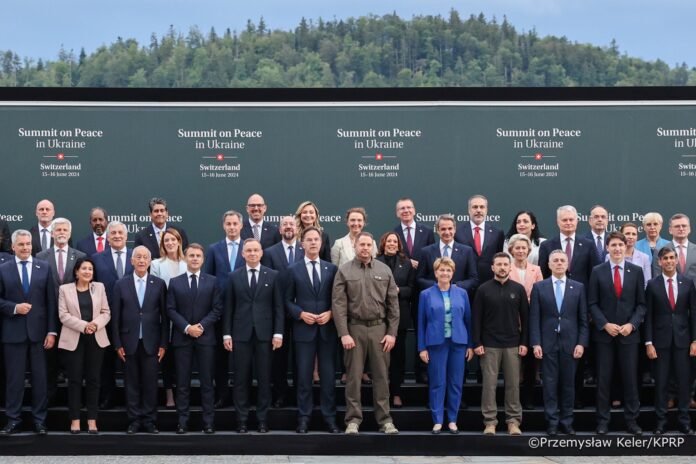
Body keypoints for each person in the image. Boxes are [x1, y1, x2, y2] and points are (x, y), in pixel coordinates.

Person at [332, 231, 400, 435]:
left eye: (368, 245)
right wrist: (343, 333)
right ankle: (353, 420)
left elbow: (393, 306)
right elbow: (338, 305)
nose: (364, 248)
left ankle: (385, 420)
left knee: (381, 377)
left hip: (380, 330)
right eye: (361, 245)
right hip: (354, 329)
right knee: (353, 377)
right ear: (355, 246)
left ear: (373, 247)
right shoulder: (344, 271)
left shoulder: (385, 270)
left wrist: (392, 333)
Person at [223, 238, 284, 434]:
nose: (252, 253)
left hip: (266, 335)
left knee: (265, 378)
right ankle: (241, 420)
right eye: (248, 250)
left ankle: (262, 420)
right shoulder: (233, 276)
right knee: (241, 379)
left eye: (255, 250)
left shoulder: (273, 275)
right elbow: (229, 308)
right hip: (241, 335)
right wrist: (226, 335)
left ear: (261, 253)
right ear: (242, 254)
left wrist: (278, 333)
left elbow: (278, 308)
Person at [589, 231, 646, 435]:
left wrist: (632, 324)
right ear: (607, 248)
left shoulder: (636, 271)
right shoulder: (597, 271)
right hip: (605, 335)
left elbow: (641, 304)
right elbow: (592, 303)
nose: (617, 248)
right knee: (604, 379)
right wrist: (604, 324)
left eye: (620, 245)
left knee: (630, 379)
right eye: (613, 245)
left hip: (629, 335)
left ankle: (632, 421)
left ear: (626, 246)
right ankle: (603, 421)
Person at [0, 230, 57, 435]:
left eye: (28, 244)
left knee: (40, 380)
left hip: (39, 335)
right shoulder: (3, 269)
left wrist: (52, 331)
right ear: (13, 247)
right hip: (13, 334)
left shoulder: (44, 268)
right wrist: (14, 308)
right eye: (21, 244)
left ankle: (39, 421)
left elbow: (51, 301)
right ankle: (13, 420)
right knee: (14, 380)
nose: (25, 248)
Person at [285, 226, 340, 434]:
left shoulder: (331, 269)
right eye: (309, 239)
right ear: (302, 244)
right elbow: (287, 301)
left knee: (327, 377)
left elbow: (339, 300)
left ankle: (330, 418)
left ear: (321, 242)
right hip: (303, 330)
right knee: (304, 377)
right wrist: (300, 314)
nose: (313, 243)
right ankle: (304, 418)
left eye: (316, 239)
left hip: (327, 330)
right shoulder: (293, 270)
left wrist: (331, 313)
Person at [529, 250, 588, 436]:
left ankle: (567, 421)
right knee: (550, 385)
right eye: (555, 260)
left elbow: (583, 320)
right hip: (547, 344)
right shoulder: (539, 287)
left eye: (563, 260)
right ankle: (552, 422)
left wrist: (581, 343)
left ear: (567, 264)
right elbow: (534, 318)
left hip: (571, 345)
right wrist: (536, 343)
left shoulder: (578, 287)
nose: (559, 263)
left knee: (568, 384)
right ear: (549, 264)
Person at [111, 246, 168, 434]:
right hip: (128, 342)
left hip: (152, 342)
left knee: (151, 383)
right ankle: (134, 420)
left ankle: (150, 420)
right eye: (138, 257)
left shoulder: (159, 284)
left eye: (145, 257)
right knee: (131, 383)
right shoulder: (121, 284)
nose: (142, 260)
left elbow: (165, 317)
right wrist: (117, 343)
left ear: (150, 261)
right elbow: (116, 316)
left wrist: (163, 343)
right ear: (132, 261)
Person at [167, 243, 222, 434]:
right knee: (182, 383)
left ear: (203, 259)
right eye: (191, 255)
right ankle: (182, 421)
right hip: (182, 339)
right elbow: (170, 309)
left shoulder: (212, 281)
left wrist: (200, 326)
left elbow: (217, 309)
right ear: (185, 257)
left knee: (207, 382)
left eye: (198, 255)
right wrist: (187, 327)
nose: (195, 258)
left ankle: (208, 422)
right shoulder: (175, 282)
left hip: (205, 338)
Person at [472, 252, 529, 435]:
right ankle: (490, 422)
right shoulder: (483, 289)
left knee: (513, 384)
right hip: (489, 345)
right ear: (492, 267)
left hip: (513, 344)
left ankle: (513, 422)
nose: (502, 267)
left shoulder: (518, 289)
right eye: (499, 264)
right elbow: (476, 319)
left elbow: (526, 319)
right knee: (489, 385)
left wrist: (524, 342)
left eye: (505, 264)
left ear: (510, 267)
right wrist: (477, 342)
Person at [418, 257, 473, 434]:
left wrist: (470, 345)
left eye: (448, 270)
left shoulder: (462, 293)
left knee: (455, 382)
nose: (445, 273)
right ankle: (437, 420)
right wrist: (422, 347)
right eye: (441, 270)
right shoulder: (425, 294)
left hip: (458, 343)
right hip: (435, 344)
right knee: (437, 382)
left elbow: (468, 320)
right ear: (435, 273)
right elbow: (421, 322)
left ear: (453, 273)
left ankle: (452, 420)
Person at [645, 246, 696, 435]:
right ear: (659, 262)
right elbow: (648, 315)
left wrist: (695, 340)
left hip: (684, 342)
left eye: (671, 257)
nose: (668, 261)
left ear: (676, 260)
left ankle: (684, 422)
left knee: (684, 383)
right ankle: (661, 422)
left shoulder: (687, 283)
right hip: (660, 343)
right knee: (661, 384)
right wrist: (648, 343)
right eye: (665, 258)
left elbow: (694, 314)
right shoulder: (652, 284)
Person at [57, 256, 110, 434]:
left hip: (96, 339)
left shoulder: (100, 288)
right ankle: (75, 420)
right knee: (74, 380)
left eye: (90, 269)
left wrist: (94, 325)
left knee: (94, 380)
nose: (88, 272)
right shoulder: (65, 289)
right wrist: (84, 326)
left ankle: (92, 420)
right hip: (74, 339)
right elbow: (63, 315)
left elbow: (106, 312)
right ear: (76, 272)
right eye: (84, 269)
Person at [36, 217, 86, 404]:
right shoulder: (40, 257)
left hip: (74, 318)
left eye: (65, 230)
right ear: (52, 233)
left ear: (70, 233)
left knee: (74, 361)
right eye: (58, 230)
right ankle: (49, 398)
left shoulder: (80, 256)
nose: (62, 233)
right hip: (49, 316)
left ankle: (75, 400)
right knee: (49, 361)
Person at [261, 216, 304, 408]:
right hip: (278, 312)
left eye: (292, 224)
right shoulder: (269, 253)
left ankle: (299, 394)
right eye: (285, 225)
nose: (288, 227)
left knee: (301, 356)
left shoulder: (306, 250)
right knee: (279, 357)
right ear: (280, 230)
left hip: (302, 313)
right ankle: (280, 394)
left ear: (298, 229)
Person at [204, 210, 246, 407]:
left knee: (242, 358)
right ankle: (222, 395)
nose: (231, 227)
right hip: (220, 311)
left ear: (241, 226)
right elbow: (208, 280)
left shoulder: (250, 248)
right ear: (223, 226)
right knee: (220, 358)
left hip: (243, 310)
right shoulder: (213, 249)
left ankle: (241, 397)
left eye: (234, 224)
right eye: (228, 224)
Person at [393, 197, 435, 384]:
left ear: (414, 210)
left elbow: (433, 256)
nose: (406, 211)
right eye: (402, 208)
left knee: (422, 329)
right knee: (399, 334)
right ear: (397, 213)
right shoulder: (392, 233)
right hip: (400, 290)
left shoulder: (426, 232)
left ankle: (422, 371)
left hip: (422, 289)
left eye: (409, 207)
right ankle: (397, 374)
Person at [92, 220, 133, 409]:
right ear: (107, 238)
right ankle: (107, 397)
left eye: (120, 233)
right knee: (105, 361)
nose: (117, 235)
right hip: (105, 318)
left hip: (132, 319)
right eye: (113, 233)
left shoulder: (137, 256)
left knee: (130, 361)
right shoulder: (97, 259)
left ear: (126, 236)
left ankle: (130, 399)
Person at [376, 231, 416, 408]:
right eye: (388, 241)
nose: (391, 244)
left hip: (400, 316)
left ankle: (396, 393)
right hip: (378, 316)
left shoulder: (406, 263)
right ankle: (381, 395)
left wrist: (399, 291)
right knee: (379, 359)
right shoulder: (375, 262)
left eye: (395, 241)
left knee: (398, 358)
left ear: (399, 245)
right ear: (383, 243)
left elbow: (412, 289)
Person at [150, 227, 188, 408]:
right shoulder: (157, 264)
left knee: (182, 361)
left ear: (179, 242)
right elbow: (155, 291)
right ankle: (169, 395)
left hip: (185, 319)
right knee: (166, 360)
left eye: (173, 240)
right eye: (166, 241)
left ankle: (182, 394)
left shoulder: (188, 262)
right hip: (164, 318)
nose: (170, 243)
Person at [506, 234, 543, 410]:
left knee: (529, 362)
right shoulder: (507, 268)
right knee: (512, 363)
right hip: (510, 320)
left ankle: (528, 399)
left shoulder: (536, 270)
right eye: (517, 248)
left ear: (529, 250)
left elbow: (540, 293)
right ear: (511, 250)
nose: (521, 251)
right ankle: (513, 400)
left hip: (531, 319)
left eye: (524, 248)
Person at [417, 214, 478, 297]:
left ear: (455, 229)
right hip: (434, 297)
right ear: (437, 230)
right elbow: (420, 278)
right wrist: (436, 286)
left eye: (450, 228)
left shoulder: (467, 251)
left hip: (458, 297)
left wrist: (456, 286)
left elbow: (473, 279)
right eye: (443, 229)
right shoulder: (426, 251)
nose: (447, 232)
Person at [454, 194, 504, 283]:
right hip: (465, 282)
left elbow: (500, 257)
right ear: (469, 210)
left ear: (486, 210)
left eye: (482, 207)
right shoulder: (457, 232)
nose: (478, 210)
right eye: (475, 207)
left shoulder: (497, 232)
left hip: (490, 283)